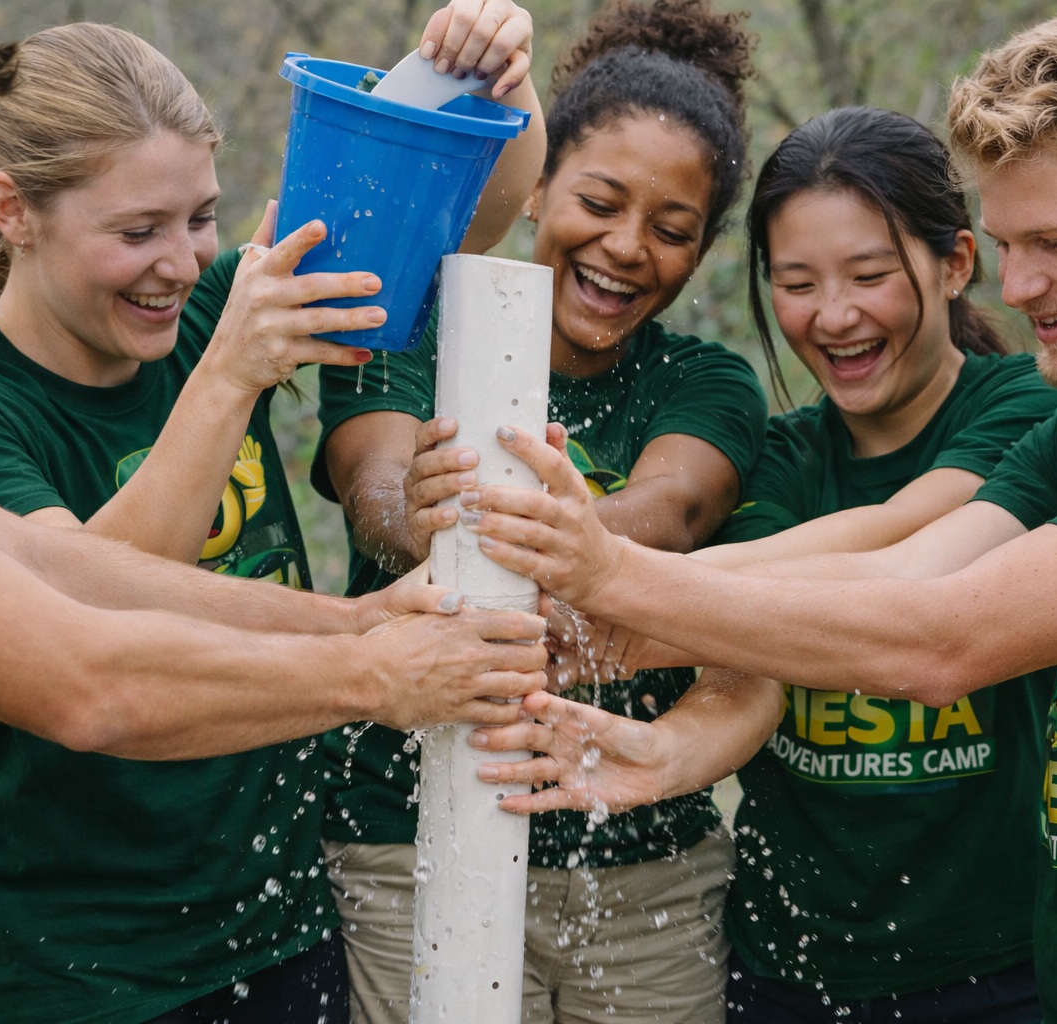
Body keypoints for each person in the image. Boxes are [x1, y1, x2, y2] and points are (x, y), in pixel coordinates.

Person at [0, 2, 546, 1021]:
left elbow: (58, 573)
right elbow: (82, 680)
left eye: (195, 220)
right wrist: (376, 673)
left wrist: (366, 621)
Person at [462, 4, 1057, 1022]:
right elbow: (903, 571)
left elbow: (946, 638)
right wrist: (600, 629)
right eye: (1010, 243)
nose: (1022, 285)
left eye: (1056, 242)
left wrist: (609, 574)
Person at [496, 106, 1057, 1021]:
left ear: (956, 263)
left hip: (997, 967)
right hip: (785, 972)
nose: (833, 316)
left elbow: (901, 535)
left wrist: (612, 579)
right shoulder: (780, 455)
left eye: (870, 275)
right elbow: (746, 667)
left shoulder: (1032, 407)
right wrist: (663, 751)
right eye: (796, 283)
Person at [311, 2, 771, 1019]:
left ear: (700, 254)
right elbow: (377, 493)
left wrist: (551, 528)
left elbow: (676, 505)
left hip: (646, 861)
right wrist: (420, 509)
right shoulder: (407, 331)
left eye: (672, 229)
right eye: (599, 201)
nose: (625, 247)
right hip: (406, 837)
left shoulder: (711, 382)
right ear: (536, 189)